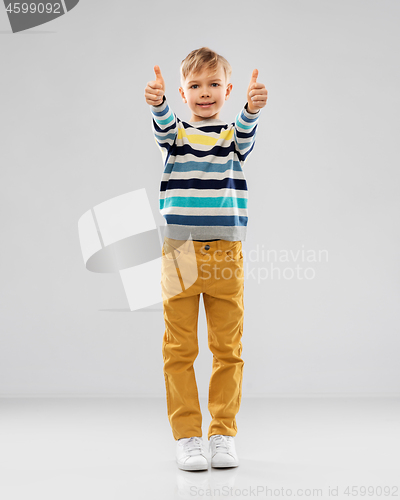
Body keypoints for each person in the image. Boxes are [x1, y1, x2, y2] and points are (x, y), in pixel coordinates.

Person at [144, 47, 268, 471]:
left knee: (227, 350)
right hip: (179, 253)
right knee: (179, 350)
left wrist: (252, 107)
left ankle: (222, 435)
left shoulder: (232, 136)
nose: (204, 92)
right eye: (194, 85)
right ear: (183, 92)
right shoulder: (175, 136)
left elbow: (248, 132)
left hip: (225, 254)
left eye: (213, 84)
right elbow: (162, 127)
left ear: (228, 90)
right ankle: (188, 438)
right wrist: (159, 102)